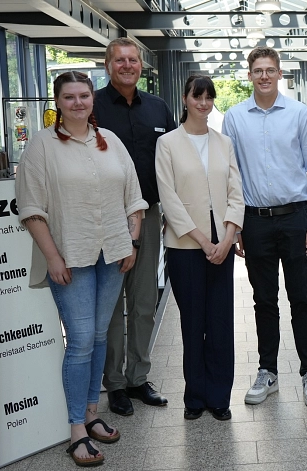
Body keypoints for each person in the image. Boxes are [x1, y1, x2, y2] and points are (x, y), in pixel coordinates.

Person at [16, 71, 149, 467]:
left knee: (98, 338)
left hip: (112, 255)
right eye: (69, 97)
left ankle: (92, 412)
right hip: (69, 258)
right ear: (57, 102)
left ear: (93, 100)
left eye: (84, 96)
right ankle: (76, 430)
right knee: (79, 341)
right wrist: (52, 257)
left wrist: (133, 240)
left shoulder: (111, 142)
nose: (78, 102)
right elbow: (30, 208)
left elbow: (134, 197)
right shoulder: (41, 147)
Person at [222, 46, 307, 408]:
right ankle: (268, 371)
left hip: (297, 218)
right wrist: (235, 226)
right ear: (249, 75)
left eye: (270, 70)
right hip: (255, 221)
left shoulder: (299, 114)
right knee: (263, 300)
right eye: (257, 70)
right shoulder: (234, 118)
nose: (264, 76)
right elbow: (230, 176)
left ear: (279, 74)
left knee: (302, 298)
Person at [94, 37, 177, 416]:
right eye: (120, 60)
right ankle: (114, 384)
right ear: (108, 64)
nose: (127, 65)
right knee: (111, 306)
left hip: (151, 214)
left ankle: (138, 377)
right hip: (105, 219)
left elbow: (174, 162)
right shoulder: (90, 107)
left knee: (144, 302)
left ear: (141, 66)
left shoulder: (158, 108)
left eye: (133, 60)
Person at [155, 75, 244, 421]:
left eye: (209, 97)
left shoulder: (224, 143)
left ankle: (219, 397)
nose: (204, 103)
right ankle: (195, 397)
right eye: (198, 96)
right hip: (185, 246)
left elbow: (237, 193)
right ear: (185, 98)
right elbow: (169, 197)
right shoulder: (169, 144)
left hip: (222, 244)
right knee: (193, 323)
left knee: (221, 323)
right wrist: (205, 241)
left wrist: (228, 237)